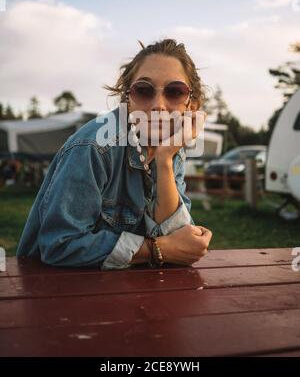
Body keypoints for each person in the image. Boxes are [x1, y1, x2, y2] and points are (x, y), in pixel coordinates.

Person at [16, 38, 212, 269]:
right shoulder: (94, 147)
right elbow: (59, 245)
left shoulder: (170, 149)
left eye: (175, 91)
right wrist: (157, 249)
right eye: (144, 90)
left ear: (192, 105)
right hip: (50, 290)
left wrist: (165, 160)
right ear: (128, 99)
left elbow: (178, 242)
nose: (158, 105)